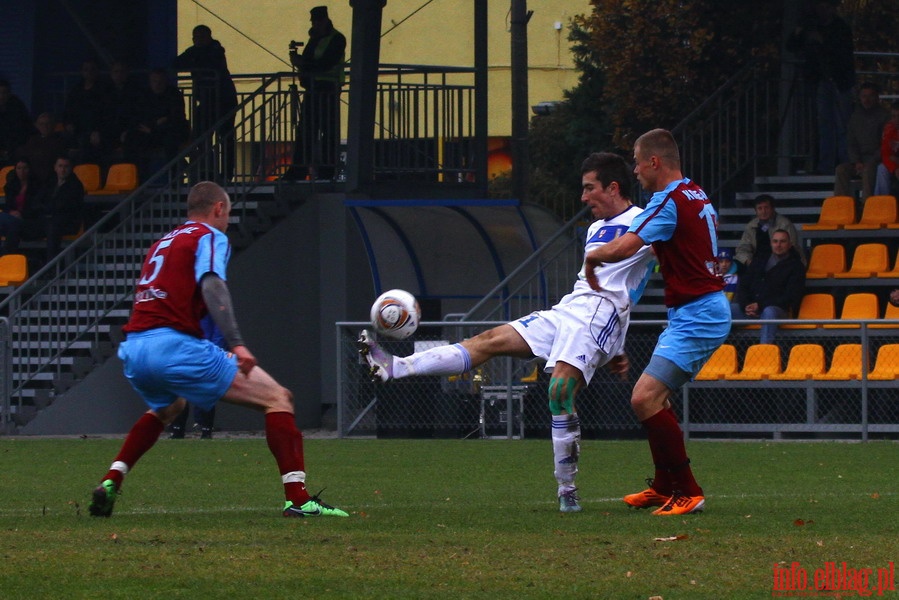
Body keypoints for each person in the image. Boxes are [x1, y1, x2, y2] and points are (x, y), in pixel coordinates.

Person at [358, 152, 656, 513]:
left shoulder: (644, 223)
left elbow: (633, 288)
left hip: (602, 316)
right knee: (489, 340)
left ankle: (567, 490)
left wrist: (616, 342)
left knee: (559, 390)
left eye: (589, 188)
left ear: (613, 187)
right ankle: (397, 367)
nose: (583, 197)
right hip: (571, 309)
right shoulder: (594, 228)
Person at [87, 181, 347, 518]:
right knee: (278, 398)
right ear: (219, 209)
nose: (227, 222)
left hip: (135, 350)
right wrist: (236, 343)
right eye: (228, 214)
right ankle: (298, 500)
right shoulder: (209, 236)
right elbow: (212, 283)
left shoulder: (161, 243)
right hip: (174, 346)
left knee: (169, 408)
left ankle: (112, 479)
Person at [582, 128, 731, 516]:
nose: (634, 169)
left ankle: (689, 490)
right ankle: (665, 485)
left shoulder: (667, 201)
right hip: (696, 309)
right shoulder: (693, 191)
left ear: (654, 162)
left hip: (698, 313)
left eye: (636, 160)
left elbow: (627, 246)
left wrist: (593, 258)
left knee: (644, 398)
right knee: (654, 398)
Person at [786, 0, 855, 175]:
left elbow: (843, 54)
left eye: (826, 6)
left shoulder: (840, 28)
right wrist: (800, 31)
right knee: (825, 125)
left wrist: (822, 43)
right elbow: (791, 46)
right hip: (821, 80)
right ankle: (826, 165)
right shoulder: (812, 26)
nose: (822, 10)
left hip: (840, 81)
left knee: (842, 124)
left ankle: (845, 163)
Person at [172, 25, 238, 182]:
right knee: (199, 137)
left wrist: (195, 61)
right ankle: (205, 172)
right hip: (207, 101)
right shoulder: (194, 51)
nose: (197, 40)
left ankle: (227, 175)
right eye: (195, 37)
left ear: (208, 37)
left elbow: (212, 64)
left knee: (226, 137)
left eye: (200, 37)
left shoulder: (216, 49)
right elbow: (176, 63)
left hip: (224, 101)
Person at [289, 6, 347, 180]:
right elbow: (311, 61)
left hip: (328, 88)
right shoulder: (315, 39)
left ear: (325, 21)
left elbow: (325, 63)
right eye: (313, 22)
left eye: (317, 21)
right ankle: (299, 170)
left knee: (328, 131)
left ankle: (327, 171)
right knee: (306, 131)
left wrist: (302, 64)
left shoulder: (336, 39)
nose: (315, 24)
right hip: (313, 88)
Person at [733, 229, 806, 344]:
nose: (778, 245)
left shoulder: (796, 266)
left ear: (790, 244)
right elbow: (743, 285)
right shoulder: (759, 260)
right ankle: (717, 353)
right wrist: (746, 304)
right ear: (771, 243)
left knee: (769, 312)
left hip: (778, 311)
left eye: (782, 241)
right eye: (775, 241)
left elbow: (791, 297)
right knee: (728, 310)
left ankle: (765, 354)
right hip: (751, 309)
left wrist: (760, 305)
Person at [123, 68, 190, 178]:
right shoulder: (145, 95)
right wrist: (155, 124)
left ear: (166, 82)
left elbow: (176, 118)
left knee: (170, 141)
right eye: (154, 81)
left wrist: (156, 126)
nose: (157, 85)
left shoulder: (174, 94)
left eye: (160, 82)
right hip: (150, 132)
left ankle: (173, 178)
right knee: (132, 138)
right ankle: (134, 178)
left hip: (169, 132)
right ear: (150, 81)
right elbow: (140, 116)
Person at [169, 315, 223, 439]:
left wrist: (215, 350)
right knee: (180, 391)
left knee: (204, 391)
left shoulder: (208, 301)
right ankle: (178, 430)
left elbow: (219, 326)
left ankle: (205, 430)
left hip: (205, 351)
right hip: (184, 350)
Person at [834, 82, 890, 202]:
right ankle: (840, 205)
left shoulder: (885, 116)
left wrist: (871, 161)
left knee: (868, 170)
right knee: (841, 170)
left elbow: (886, 143)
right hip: (859, 161)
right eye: (864, 96)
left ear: (877, 97)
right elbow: (851, 142)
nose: (867, 99)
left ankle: (866, 206)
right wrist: (856, 161)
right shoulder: (855, 117)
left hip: (877, 161)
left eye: (870, 96)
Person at [62, 59, 113, 165]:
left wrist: (99, 130)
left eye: (92, 69)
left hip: (96, 131)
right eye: (86, 69)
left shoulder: (104, 90)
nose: (89, 72)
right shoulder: (76, 90)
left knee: (86, 144)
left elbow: (108, 115)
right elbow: (67, 112)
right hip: (77, 130)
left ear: (97, 71)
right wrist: (68, 124)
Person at [734, 194, 805, 269]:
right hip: (756, 261)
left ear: (772, 208)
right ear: (756, 211)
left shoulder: (784, 224)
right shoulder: (751, 226)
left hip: (780, 260)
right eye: (760, 208)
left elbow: (791, 247)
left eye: (766, 208)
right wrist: (749, 261)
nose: (763, 211)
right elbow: (743, 248)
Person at [37, 155, 85, 260]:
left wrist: (46, 209)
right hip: (47, 219)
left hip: (67, 223)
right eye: (60, 166)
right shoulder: (49, 183)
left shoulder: (75, 185)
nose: (62, 169)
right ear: (55, 167)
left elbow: (65, 207)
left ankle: (51, 267)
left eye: (66, 166)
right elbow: (38, 201)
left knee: (52, 229)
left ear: (71, 168)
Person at [0, 158, 44, 255]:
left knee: (10, 224)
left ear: (29, 169)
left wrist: (21, 214)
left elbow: (37, 208)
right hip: (12, 218)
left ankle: (8, 256)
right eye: (19, 168)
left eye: (25, 168)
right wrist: (11, 212)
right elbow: (7, 205)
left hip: (28, 221)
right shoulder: (11, 185)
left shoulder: (37, 186)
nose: (22, 171)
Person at [18, 112, 69, 187]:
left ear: (54, 125)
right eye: (41, 124)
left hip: (51, 178)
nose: (45, 126)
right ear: (37, 126)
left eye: (48, 123)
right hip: (33, 178)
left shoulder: (60, 141)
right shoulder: (32, 141)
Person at [0, 79, 34, 164]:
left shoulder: (17, 106)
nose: (1, 96)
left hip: (15, 148)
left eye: (4, 92)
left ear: (9, 93)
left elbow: (25, 128)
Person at [874, 100, 899, 197]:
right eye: (894, 116)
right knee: (881, 168)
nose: (897, 120)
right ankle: (882, 203)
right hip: (895, 165)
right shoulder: (889, 129)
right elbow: (886, 154)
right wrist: (895, 168)